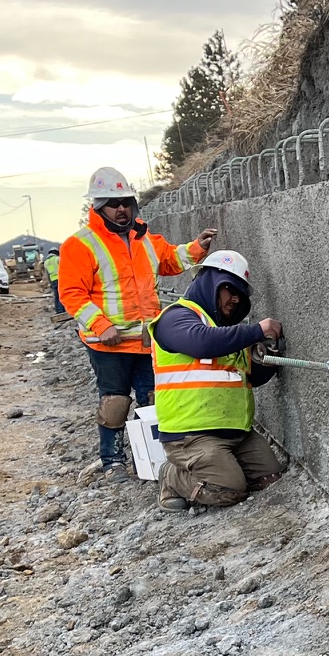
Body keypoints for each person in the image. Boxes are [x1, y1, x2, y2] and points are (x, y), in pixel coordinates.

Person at [57, 166, 217, 477]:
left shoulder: (145, 239)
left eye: (126, 203)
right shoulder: (80, 245)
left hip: (145, 341)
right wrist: (102, 327)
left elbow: (170, 259)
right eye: (113, 205)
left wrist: (197, 248)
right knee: (115, 401)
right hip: (108, 344)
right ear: (99, 208)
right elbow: (71, 293)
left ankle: (158, 460)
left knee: (153, 401)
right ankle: (112, 461)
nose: (121, 210)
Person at [148, 250, 286, 512]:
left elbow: (252, 378)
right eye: (229, 289)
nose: (235, 299)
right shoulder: (176, 317)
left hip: (236, 433)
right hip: (191, 437)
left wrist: (272, 354)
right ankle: (172, 477)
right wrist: (256, 331)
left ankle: (221, 467)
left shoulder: (227, 332)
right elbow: (201, 342)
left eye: (239, 295)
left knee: (269, 478)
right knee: (227, 490)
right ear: (209, 282)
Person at [41, 247, 63, 317]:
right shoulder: (57, 259)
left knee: (56, 296)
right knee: (62, 296)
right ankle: (62, 311)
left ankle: (58, 311)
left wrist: (50, 283)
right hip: (60, 279)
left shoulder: (46, 262)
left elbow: (47, 274)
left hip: (53, 280)